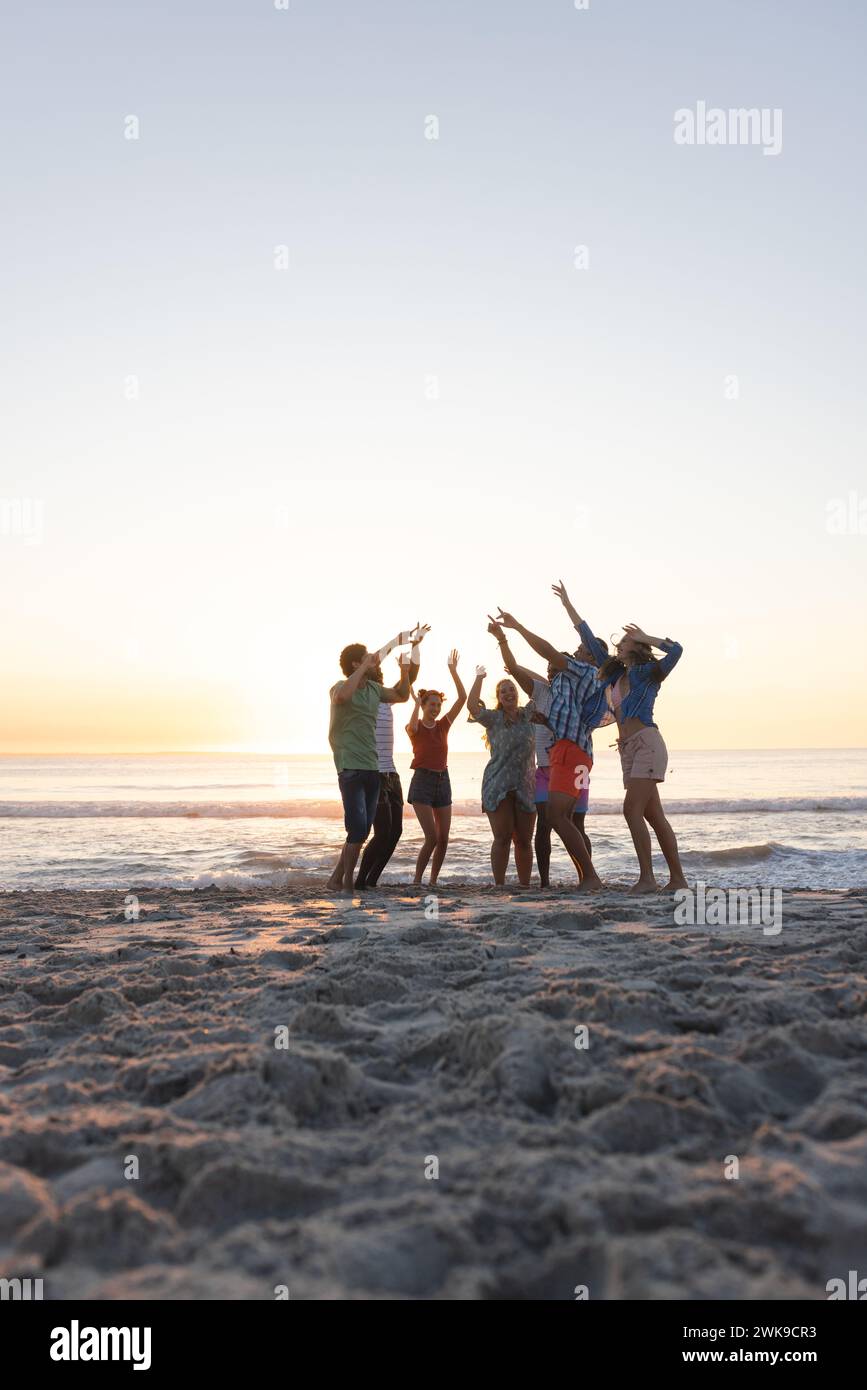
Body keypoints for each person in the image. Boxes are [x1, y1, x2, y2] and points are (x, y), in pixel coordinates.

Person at [487, 613, 609, 886]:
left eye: (582, 650)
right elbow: (521, 669)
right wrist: (548, 721)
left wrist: (515, 628)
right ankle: (582, 878)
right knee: (555, 820)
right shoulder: (564, 687)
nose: (577, 651)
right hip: (566, 754)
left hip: (570, 753)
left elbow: (547, 652)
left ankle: (589, 877)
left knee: (561, 819)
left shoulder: (581, 673)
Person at [592, 621, 687, 893]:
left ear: (638, 647)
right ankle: (678, 880)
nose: (619, 646)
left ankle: (647, 879)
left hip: (647, 744)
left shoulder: (648, 674)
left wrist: (647, 637)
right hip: (628, 750)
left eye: (625, 641)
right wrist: (569, 607)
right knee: (654, 815)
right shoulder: (615, 676)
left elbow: (677, 651)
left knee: (631, 810)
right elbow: (590, 642)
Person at [326, 637, 413, 892]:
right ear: (355, 663)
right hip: (349, 766)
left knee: (362, 832)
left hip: (372, 768)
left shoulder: (374, 690)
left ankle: (336, 880)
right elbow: (343, 697)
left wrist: (405, 672)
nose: (374, 660)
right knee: (356, 830)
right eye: (367, 657)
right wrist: (363, 668)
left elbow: (401, 695)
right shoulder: (339, 686)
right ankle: (348, 886)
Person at [356, 626, 429, 890]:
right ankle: (360, 881)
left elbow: (412, 675)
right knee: (381, 832)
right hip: (372, 772)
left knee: (395, 832)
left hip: (391, 773)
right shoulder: (360, 695)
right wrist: (396, 641)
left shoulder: (385, 697)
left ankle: (371, 881)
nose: (374, 666)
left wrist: (415, 645)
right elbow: (376, 658)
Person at [466, 662, 537, 887]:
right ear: (499, 697)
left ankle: (524, 886)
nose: (508, 693)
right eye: (503, 691)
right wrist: (479, 677)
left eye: (512, 689)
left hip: (526, 785)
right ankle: (499, 886)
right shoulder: (494, 718)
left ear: (518, 694)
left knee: (525, 840)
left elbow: (543, 690)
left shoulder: (529, 715)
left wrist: (520, 671)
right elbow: (471, 706)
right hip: (498, 784)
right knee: (503, 837)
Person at [405, 650, 466, 886]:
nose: (436, 708)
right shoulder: (415, 727)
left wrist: (453, 671)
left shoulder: (443, 726)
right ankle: (417, 880)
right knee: (431, 838)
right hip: (422, 782)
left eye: (438, 705)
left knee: (443, 839)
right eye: (431, 704)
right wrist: (415, 705)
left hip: (443, 781)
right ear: (424, 705)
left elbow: (461, 698)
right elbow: (411, 726)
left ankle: (432, 881)